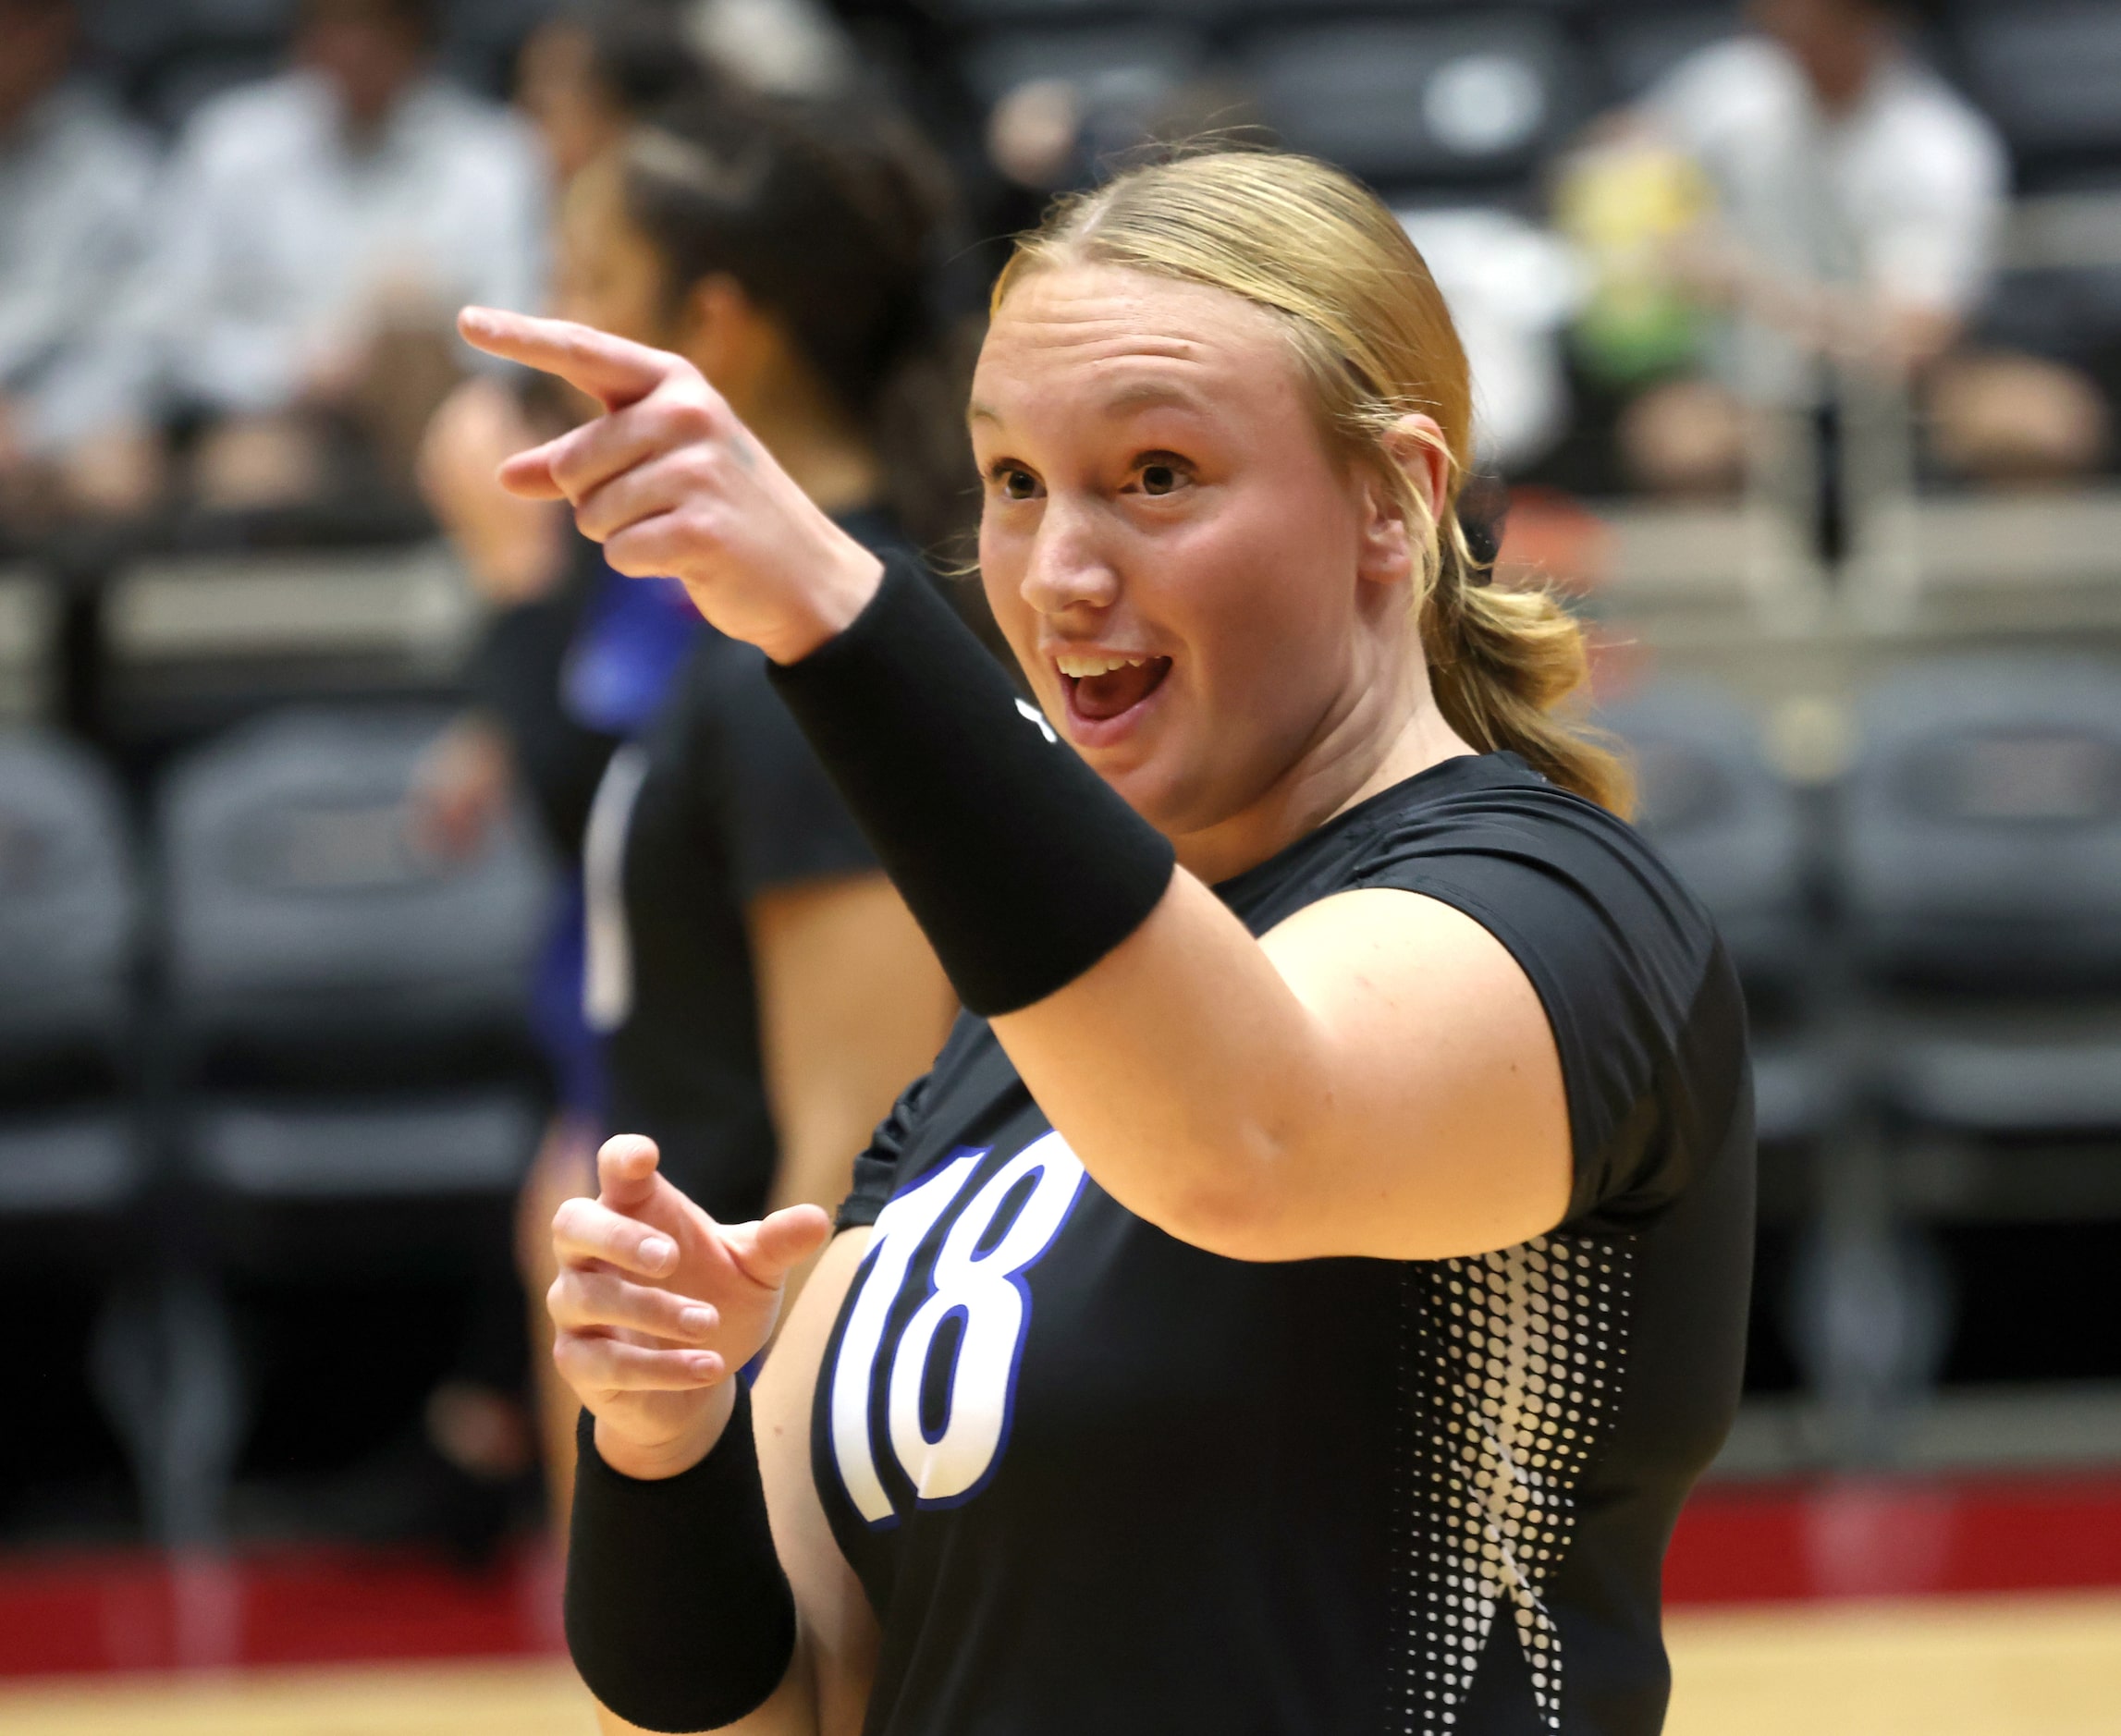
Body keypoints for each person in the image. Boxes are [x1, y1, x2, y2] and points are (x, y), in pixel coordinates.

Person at [467, 146, 1756, 1735]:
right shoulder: (1008, 1040)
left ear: (1392, 498)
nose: (1060, 574)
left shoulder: (1559, 907)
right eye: (1011, 484)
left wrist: (824, 604)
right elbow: (780, 1706)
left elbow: (1251, 1134)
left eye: (1153, 475)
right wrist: (662, 1443)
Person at [428, 90, 963, 1538]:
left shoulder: (829, 653)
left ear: (715, 329)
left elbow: (850, 1153)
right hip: (664, 1341)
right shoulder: (717, 616)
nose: (549, 322)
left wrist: (768, 1518)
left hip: (757, 1395)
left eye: (589, 284)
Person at [1581, 0, 2106, 494]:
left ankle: (2000, 592)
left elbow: (1909, 344)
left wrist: (1750, 287)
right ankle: (1728, 593)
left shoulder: (1939, 145)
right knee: (1678, 440)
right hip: (1743, 386)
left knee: (2039, 424)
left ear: (1866, 23)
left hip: (1908, 398)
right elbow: (1617, 151)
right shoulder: (1734, 86)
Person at [139, 0, 545, 509]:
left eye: (375, 28)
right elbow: (180, 328)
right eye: (336, 25)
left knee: (501, 448)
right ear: (302, 34)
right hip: (282, 412)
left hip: (440, 403)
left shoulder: (493, 154)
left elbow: (523, 322)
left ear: (418, 38)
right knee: (250, 474)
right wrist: (294, 370)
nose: (354, 47)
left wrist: (414, 344)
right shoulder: (230, 144)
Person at [0, 0, 161, 535]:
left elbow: (134, 342)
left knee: (115, 475)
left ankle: (82, 620)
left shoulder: (113, 167)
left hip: (52, 426)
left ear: (57, 32)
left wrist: (35, 427)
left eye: (18, 22)